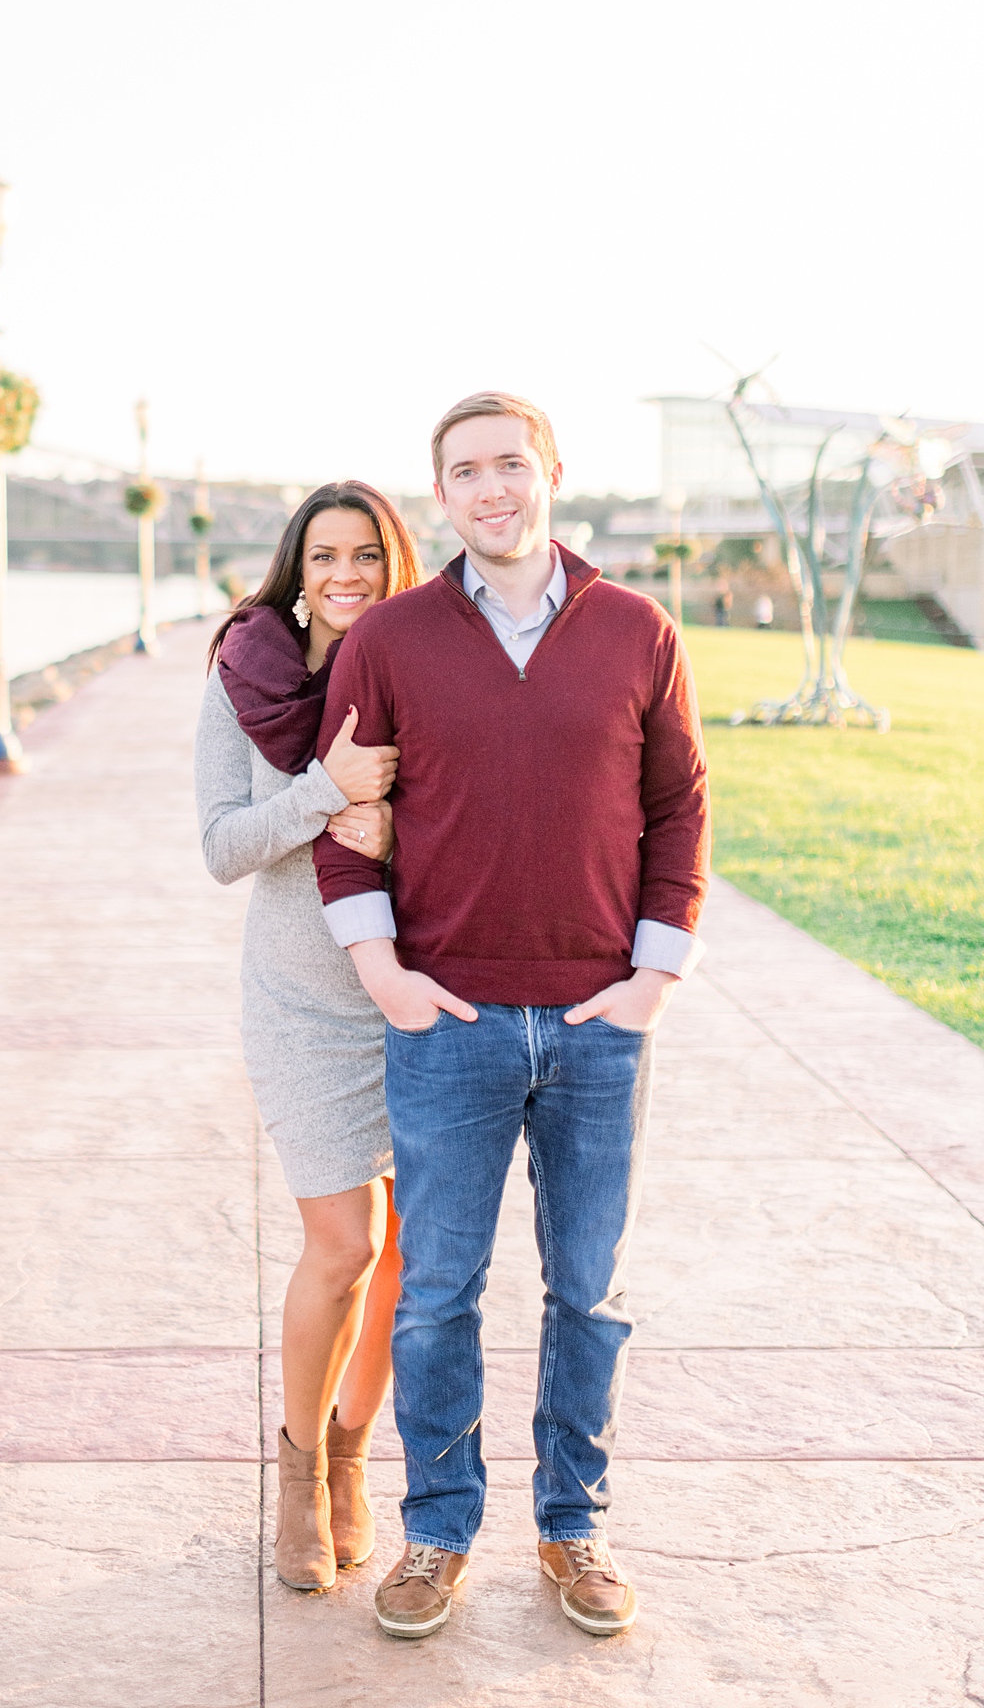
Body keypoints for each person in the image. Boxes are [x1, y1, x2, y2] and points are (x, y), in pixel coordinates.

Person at [311, 393, 709, 1645]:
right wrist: (381, 972)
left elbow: (680, 807)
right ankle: (437, 1533)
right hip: (450, 1021)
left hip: (599, 1020)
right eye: (464, 471)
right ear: (441, 496)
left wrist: (651, 979)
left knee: (588, 1291)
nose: (490, 488)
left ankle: (573, 1522)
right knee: (436, 1296)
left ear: (548, 475)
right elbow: (344, 819)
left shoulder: (635, 630)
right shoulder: (390, 642)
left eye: (509, 465)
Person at [196, 481, 425, 1593]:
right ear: (296, 570)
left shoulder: (430, 664)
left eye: (366, 555)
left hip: (422, 992)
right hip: (299, 1000)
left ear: (396, 564)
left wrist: (396, 819)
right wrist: (321, 794)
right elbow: (221, 846)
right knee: (343, 1245)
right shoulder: (244, 678)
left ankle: (348, 1460)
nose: (346, 576)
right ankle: (293, 1474)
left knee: (412, 1254)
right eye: (324, 556)